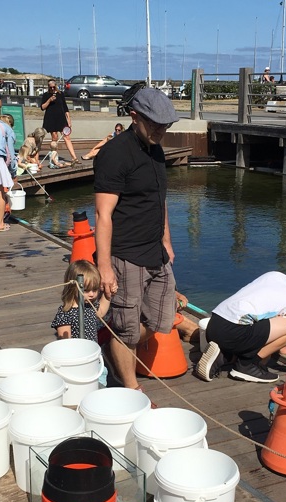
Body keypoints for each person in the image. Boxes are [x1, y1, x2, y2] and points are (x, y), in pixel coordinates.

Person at [94, 87, 180, 390]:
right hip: (125, 254)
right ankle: (132, 389)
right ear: (134, 116)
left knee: (162, 321)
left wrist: (166, 241)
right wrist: (104, 265)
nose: (161, 130)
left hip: (156, 251)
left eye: (165, 125)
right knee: (127, 330)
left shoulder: (155, 148)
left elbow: (161, 199)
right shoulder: (114, 153)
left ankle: (109, 345)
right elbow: (103, 214)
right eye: (155, 124)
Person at [197, 265, 286, 383]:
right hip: (233, 333)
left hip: (214, 325)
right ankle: (247, 365)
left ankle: (224, 355)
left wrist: (280, 347)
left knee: (268, 317)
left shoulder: (274, 275)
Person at [51, 260, 111, 341]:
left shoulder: (89, 305)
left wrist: (107, 295)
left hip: (92, 350)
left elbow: (101, 313)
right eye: (86, 290)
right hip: (77, 352)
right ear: (73, 286)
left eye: (95, 289)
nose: (91, 294)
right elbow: (65, 342)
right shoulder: (65, 312)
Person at [40, 79, 80, 164]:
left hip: (61, 117)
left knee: (66, 136)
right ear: (48, 87)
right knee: (54, 137)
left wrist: (69, 119)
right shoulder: (46, 95)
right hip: (51, 118)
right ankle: (55, 158)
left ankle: (74, 157)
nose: (52, 89)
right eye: (50, 87)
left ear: (56, 86)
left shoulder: (60, 94)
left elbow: (65, 107)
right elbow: (43, 107)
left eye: (53, 87)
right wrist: (50, 100)